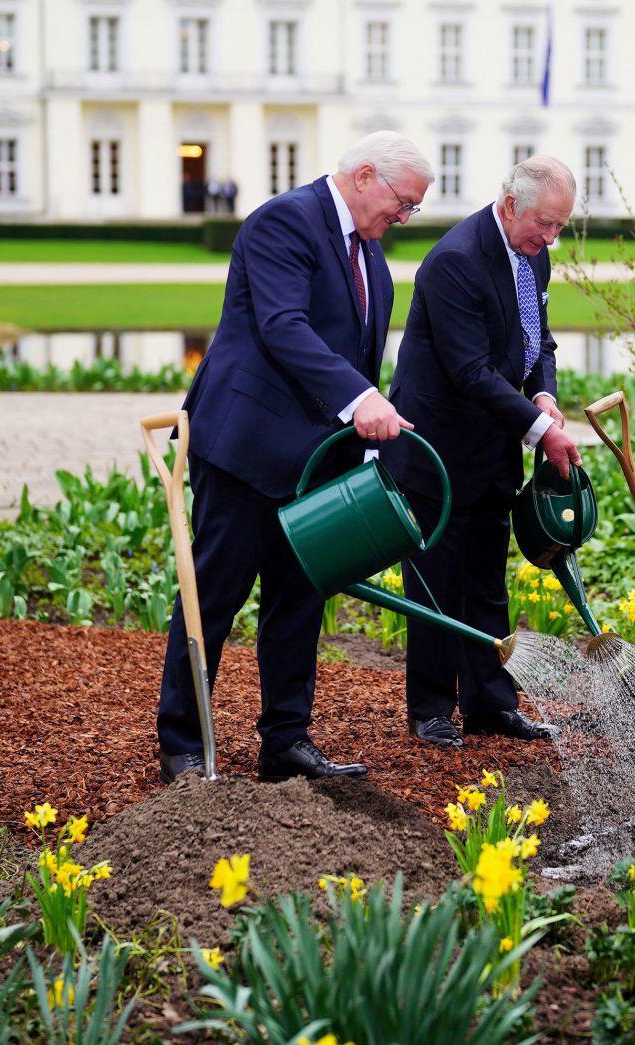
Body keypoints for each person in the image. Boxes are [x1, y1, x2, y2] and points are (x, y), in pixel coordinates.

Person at [156, 132, 433, 784]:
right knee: (213, 596)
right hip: (246, 449)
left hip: (316, 464)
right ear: (364, 176)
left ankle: (284, 740)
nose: (405, 217)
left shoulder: (372, 259)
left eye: (414, 209)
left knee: (300, 601)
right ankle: (181, 743)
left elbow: (356, 358)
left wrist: (364, 449)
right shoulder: (284, 222)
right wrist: (360, 397)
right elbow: (284, 326)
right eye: (403, 202)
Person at [382, 156, 582, 749]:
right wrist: (541, 431)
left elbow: (536, 339)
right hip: (435, 449)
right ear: (510, 202)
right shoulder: (455, 262)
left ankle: (491, 704)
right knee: (436, 582)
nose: (550, 239)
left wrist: (543, 394)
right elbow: (470, 371)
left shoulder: (532, 254)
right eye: (544, 224)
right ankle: (431, 710)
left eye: (560, 228)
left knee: (487, 582)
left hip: (493, 447)